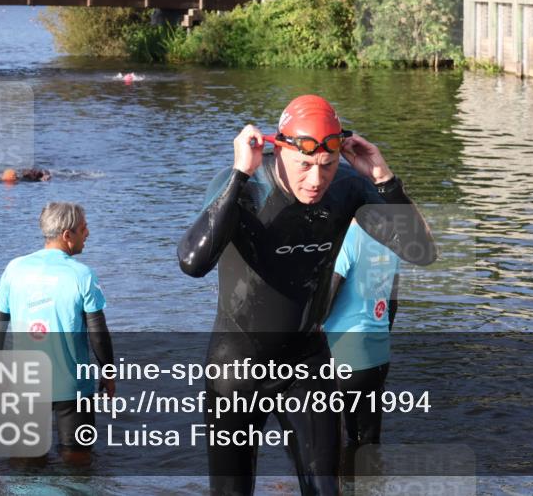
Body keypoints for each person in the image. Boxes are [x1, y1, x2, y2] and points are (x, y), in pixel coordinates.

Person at [178, 94, 436, 496]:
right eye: (304, 166)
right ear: (279, 149)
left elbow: (421, 251)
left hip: (306, 363)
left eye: (327, 166)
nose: (315, 181)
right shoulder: (246, 187)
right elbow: (193, 262)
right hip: (237, 366)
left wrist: (383, 177)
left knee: (325, 490)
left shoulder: (349, 188)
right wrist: (237, 175)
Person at [0, 202, 115, 464]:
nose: (88, 233)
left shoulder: (14, 268)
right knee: (77, 460)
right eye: (83, 228)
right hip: (72, 387)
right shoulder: (83, 275)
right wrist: (108, 372)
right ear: (67, 235)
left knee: (24, 461)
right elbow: (97, 331)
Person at [323, 220, 400, 446]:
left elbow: (327, 299)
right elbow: (392, 305)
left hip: (342, 356)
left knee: (327, 445)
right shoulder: (390, 242)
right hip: (377, 358)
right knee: (368, 442)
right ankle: (370, 480)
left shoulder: (347, 238)